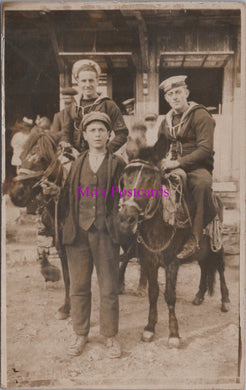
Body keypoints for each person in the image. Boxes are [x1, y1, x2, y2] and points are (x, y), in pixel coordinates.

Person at [60, 111, 125, 358]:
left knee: (108, 286)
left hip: (105, 233)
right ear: (84, 135)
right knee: (78, 286)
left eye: (102, 130)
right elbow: (66, 196)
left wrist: (117, 220)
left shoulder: (117, 163)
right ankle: (81, 334)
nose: (97, 135)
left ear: (109, 135)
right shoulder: (77, 163)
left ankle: (110, 336)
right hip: (78, 233)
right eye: (92, 130)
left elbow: (127, 195)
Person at [153, 75, 217, 259]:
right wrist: (157, 163)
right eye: (170, 94)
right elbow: (160, 146)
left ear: (186, 93)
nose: (175, 97)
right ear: (166, 99)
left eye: (178, 92)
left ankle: (194, 237)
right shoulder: (166, 120)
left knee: (202, 184)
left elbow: (205, 149)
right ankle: (151, 232)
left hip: (196, 166)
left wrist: (178, 163)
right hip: (170, 164)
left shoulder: (200, 114)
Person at [60, 59, 128, 153]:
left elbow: (122, 134)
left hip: (102, 154)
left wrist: (106, 150)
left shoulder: (108, 105)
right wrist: (66, 143)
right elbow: (66, 132)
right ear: (78, 82)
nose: (87, 85)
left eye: (91, 80)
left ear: (97, 81)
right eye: (83, 81)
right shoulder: (72, 106)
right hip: (76, 155)